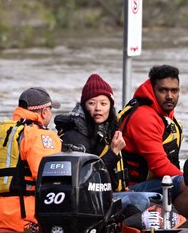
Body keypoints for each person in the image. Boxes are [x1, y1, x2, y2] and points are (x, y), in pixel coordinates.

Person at [54, 73, 150, 212]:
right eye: (91, 103)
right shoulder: (74, 136)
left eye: (103, 103)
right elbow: (85, 179)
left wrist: (123, 187)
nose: (98, 108)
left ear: (110, 106)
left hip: (112, 191)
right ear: (83, 106)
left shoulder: (109, 129)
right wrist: (113, 153)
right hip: (86, 200)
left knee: (161, 194)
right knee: (141, 200)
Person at [0, 87, 62, 233]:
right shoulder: (40, 135)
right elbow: (50, 178)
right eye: (51, 110)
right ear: (44, 112)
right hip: (24, 216)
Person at [118, 64, 188, 217]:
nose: (169, 96)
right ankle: (176, 226)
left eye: (174, 90)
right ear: (152, 90)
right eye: (163, 90)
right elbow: (159, 167)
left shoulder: (163, 113)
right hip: (131, 189)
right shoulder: (144, 117)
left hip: (156, 181)